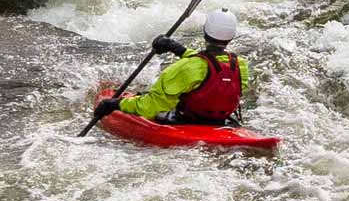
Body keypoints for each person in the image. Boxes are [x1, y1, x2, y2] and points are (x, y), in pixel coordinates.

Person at [94, 8, 251, 126]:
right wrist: (176, 48)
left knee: (152, 99)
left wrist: (115, 104)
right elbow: (209, 67)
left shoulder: (185, 68)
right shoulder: (240, 65)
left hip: (185, 121)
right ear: (231, 36)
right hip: (221, 122)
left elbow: (150, 107)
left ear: (205, 33)